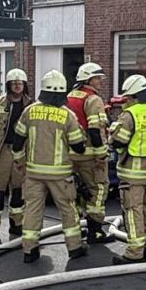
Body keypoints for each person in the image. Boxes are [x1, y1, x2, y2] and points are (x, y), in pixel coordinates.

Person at [12, 70, 89, 263]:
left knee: (32, 210)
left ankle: (29, 250)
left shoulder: (30, 111)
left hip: (34, 172)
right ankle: (75, 248)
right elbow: (78, 147)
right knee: (68, 210)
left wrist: (20, 162)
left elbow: (17, 141)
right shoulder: (67, 115)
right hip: (60, 175)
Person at [108, 74, 146, 265]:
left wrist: (112, 134)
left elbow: (118, 141)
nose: (126, 101)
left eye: (128, 98)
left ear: (134, 96)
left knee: (133, 212)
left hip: (131, 173)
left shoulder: (130, 114)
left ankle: (134, 252)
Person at [0, 68, 33, 241]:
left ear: (24, 85)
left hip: (21, 152)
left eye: (20, 83)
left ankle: (16, 225)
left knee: (18, 191)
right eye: (14, 83)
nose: (17, 86)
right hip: (1, 152)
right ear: (9, 85)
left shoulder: (31, 105)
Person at [66, 62, 114, 244]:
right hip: (90, 156)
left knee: (77, 191)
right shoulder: (93, 99)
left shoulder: (70, 96)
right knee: (98, 189)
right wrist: (101, 155)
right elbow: (95, 130)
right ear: (88, 79)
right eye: (97, 78)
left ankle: (77, 229)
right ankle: (96, 231)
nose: (100, 82)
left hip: (72, 154)